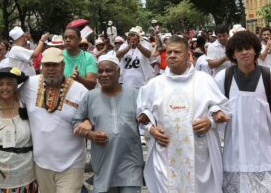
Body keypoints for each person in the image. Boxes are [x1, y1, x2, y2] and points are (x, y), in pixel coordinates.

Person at [137, 35, 230, 193]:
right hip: (165, 154)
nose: (172, 55)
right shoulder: (155, 84)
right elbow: (141, 116)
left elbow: (224, 111)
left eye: (177, 52)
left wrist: (209, 122)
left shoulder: (204, 81)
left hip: (199, 156)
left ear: (188, 55)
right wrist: (151, 130)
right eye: (169, 52)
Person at [214, 31, 271, 192]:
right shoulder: (222, 78)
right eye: (239, 49)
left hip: (267, 152)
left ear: (255, 50)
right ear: (232, 54)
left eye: (248, 48)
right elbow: (211, 106)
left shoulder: (270, 76)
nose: (244, 52)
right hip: (235, 152)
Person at [18, 47, 88, 193]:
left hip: (72, 163)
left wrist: (89, 122)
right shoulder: (28, 85)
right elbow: (9, 97)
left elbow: (93, 117)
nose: (50, 69)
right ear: (41, 66)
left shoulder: (80, 90)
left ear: (63, 65)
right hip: (41, 163)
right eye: (46, 65)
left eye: (55, 64)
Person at [73, 54, 143, 193]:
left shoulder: (135, 94)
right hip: (103, 164)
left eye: (108, 70)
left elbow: (148, 120)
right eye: (100, 71)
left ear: (118, 71)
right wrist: (90, 134)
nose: (103, 74)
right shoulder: (90, 96)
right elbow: (76, 124)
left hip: (130, 163)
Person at [0, 67, 36, 192]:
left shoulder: (26, 105)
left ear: (16, 86)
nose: (4, 88)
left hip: (24, 173)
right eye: (1, 84)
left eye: (9, 84)